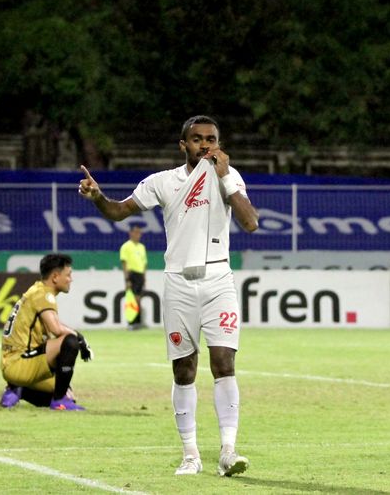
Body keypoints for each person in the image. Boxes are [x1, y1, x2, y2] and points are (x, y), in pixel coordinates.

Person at [79, 115, 259, 477]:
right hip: (179, 282)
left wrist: (225, 177)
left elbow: (250, 221)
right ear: (183, 145)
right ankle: (190, 454)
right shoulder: (164, 182)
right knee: (184, 369)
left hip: (218, 279)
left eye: (211, 139)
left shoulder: (229, 176)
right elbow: (119, 211)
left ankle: (228, 450)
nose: (205, 145)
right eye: (197, 139)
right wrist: (98, 196)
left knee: (224, 363)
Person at [0, 253, 93, 411]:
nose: (71, 279)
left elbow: (53, 326)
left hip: (13, 364)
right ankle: (59, 401)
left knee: (68, 392)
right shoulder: (44, 294)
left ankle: (19, 390)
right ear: (55, 277)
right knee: (69, 341)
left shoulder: (36, 290)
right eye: (68, 274)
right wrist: (80, 338)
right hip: (20, 364)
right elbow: (56, 329)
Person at [120, 225, 147, 329]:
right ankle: (131, 323)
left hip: (140, 275)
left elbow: (144, 264)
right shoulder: (126, 246)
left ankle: (138, 322)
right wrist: (127, 279)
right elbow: (124, 263)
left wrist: (144, 278)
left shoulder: (142, 247)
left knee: (139, 299)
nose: (138, 235)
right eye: (136, 232)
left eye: (139, 233)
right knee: (132, 299)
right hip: (132, 274)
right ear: (130, 233)